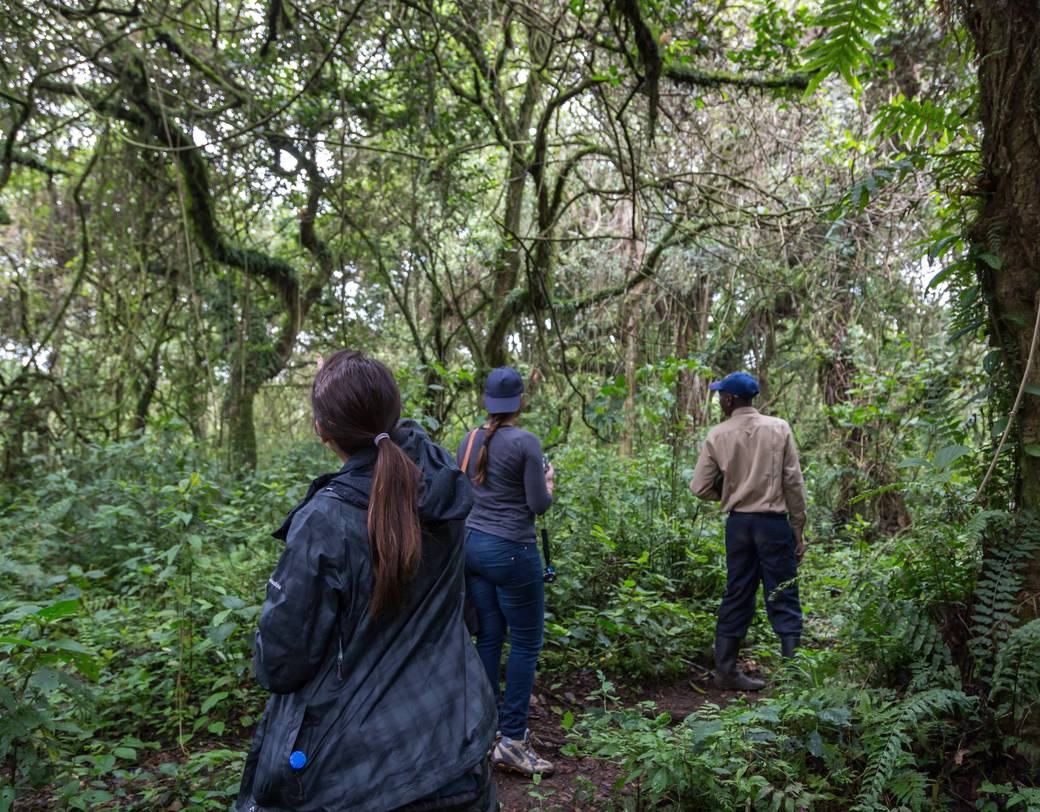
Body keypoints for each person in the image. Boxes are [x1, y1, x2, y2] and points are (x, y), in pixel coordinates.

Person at [236, 351, 497, 812]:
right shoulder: (442, 484)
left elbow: (280, 664)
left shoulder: (326, 520)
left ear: (322, 431)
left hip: (351, 773)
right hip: (455, 743)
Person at [456, 367, 555, 777]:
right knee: (528, 643)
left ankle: (486, 732)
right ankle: (513, 739)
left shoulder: (469, 439)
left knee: (490, 636)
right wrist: (549, 482)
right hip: (512, 551)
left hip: (472, 547)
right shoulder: (526, 442)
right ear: (520, 402)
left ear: (486, 402)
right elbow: (538, 506)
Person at [690, 371, 807, 692]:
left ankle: (725, 671)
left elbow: (699, 486)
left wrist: (728, 493)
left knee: (737, 592)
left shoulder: (718, 435)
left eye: (720, 395)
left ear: (729, 399)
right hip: (773, 524)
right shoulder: (779, 428)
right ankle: (792, 677)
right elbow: (793, 483)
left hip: (739, 524)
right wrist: (798, 530)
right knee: (783, 592)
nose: (719, 400)